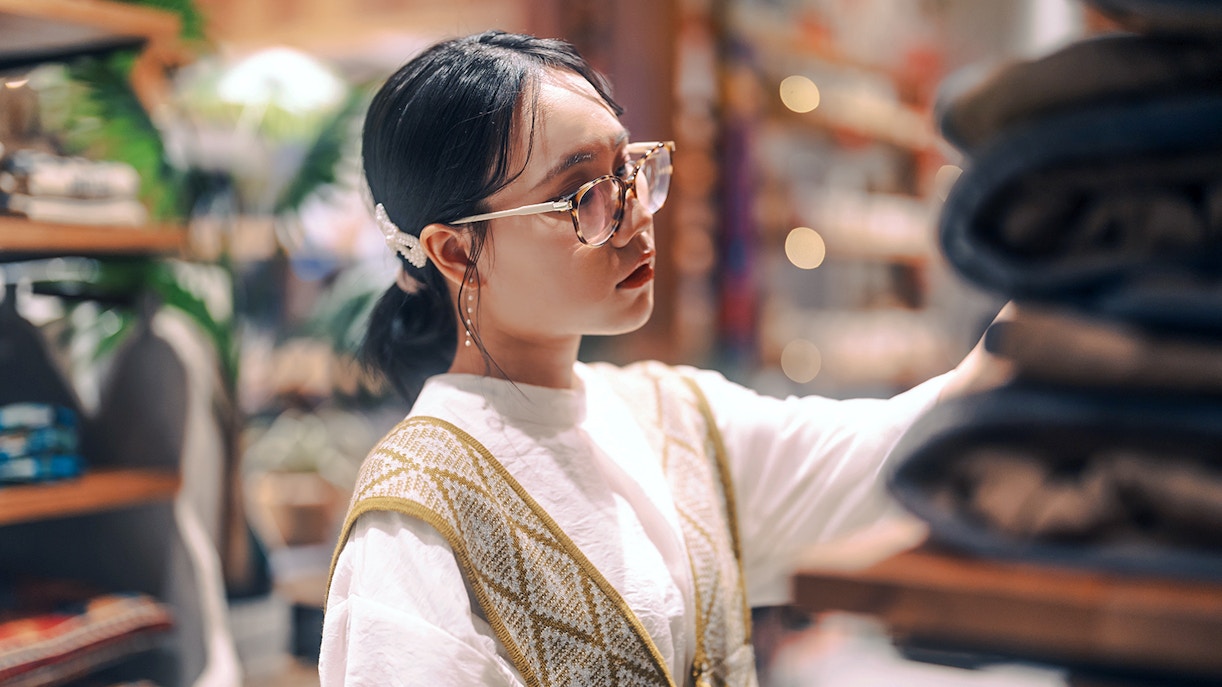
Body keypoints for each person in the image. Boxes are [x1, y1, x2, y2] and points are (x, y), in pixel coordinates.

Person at [320, 30, 1006, 687]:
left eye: (630, 169)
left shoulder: (671, 415)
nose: (636, 213)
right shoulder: (416, 511)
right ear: (456, 251)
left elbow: (908, 441)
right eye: (585, 194)